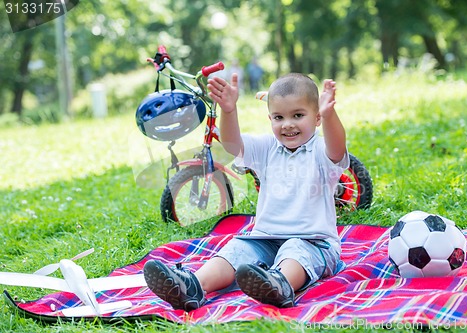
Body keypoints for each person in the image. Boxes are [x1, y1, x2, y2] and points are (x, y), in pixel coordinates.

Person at [143, 72, 349, 311]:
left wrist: (330, 115)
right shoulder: (267, 148)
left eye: (298, 115)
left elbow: (337, 147)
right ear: (269, 118)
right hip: (266, 237)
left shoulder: (321, 151)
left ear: (316, 118)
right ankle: (192, 286)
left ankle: (280, 285)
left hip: (315, 242)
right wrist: (229, 111)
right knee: (237, 251)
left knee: (295, 251)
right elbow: (233, 145)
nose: (288, 124)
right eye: (279, 117)